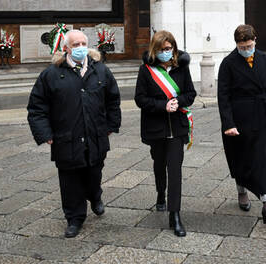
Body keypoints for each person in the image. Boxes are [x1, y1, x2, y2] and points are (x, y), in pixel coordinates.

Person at [27, 29, 121, 238]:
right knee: (70, 181)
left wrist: (110, 126)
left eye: (83, 44)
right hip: (66, 139)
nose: (80, 48)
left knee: (93, 174)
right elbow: (37, 107)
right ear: (66, 48)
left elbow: (113, 100)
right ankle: (74, 218)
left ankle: (95, 196)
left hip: (96, 137)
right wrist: (45, 134)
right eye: (75, 45)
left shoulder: (101, 71)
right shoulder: (51, 74)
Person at [218, 24, 266, 224]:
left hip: (262, 116)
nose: (246, 49)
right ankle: (242, 190)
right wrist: (228, 123)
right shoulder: (228, 63)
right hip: (238, 120)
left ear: (255, 40)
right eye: (242, 46)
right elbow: (223, 97)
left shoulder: (264, 59)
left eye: (248, 45)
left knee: (263, 158)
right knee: (241, 158)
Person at [134, 30, 196, 237]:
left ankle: (175, 214)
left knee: (175, 170)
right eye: (161, 50)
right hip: (156, 128)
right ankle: (161, 192)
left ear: (174, 49)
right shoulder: (146, 71)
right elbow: (140, 99)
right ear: (154, 50)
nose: (165, 53)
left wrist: (180, 102)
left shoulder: (181, 68)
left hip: (177, 128)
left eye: (168, 49)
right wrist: (162, 105)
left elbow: (191, 93)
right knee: (159, 165)